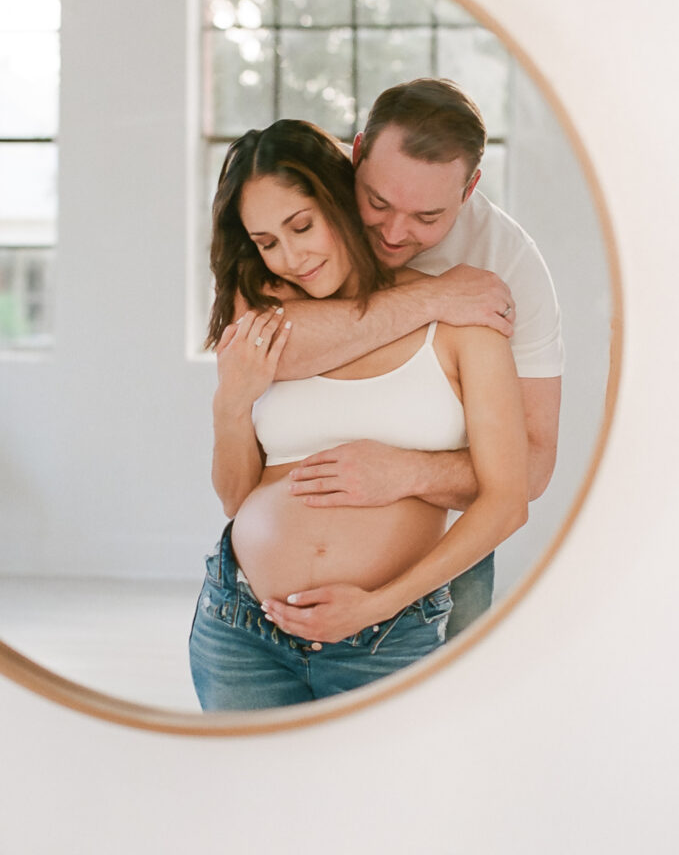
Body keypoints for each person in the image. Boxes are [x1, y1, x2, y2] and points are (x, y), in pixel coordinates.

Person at [189, 119, 528, 710]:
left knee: (393, 802)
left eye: (302, 225)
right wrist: (230, 403)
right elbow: (236, 497)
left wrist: (380, 604)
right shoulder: (265, 325)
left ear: (340, 199)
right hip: (241, 624)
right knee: (248, 801)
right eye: (268, 242)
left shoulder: (462, 314)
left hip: (387, 634)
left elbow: (508, 502)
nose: (291, 256)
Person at [232, 79, 564, 640]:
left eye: (426, 217)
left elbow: (531, 468)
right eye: (377, 202)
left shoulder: (511, 265)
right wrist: (433, 297)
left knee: (438, 722)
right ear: (355, 154)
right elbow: (267, 348)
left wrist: (408, 473)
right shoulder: (303, 203)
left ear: (469, 188)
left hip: (441, 563)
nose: (392, 231)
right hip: (252, 605)